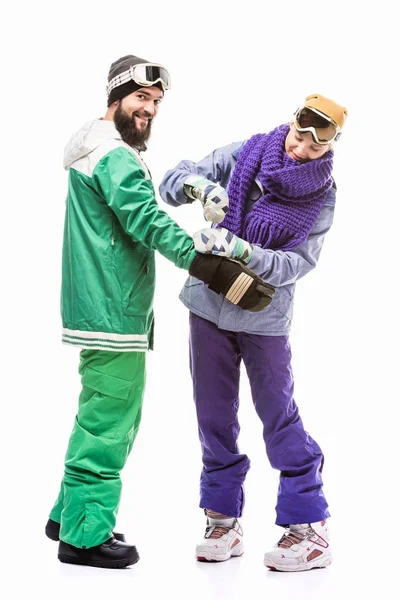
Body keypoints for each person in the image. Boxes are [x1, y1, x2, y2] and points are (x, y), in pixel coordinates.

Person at [45, 54, 275, 570]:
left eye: (155, 102)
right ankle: (82, 537)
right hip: (112, 309)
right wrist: (206, 263)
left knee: (101, 412)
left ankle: (70, 514)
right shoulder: (113, 155)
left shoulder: (99, 150)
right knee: (109, 421)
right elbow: (145, 219)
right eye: (140, 98)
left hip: (104, 304)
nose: (148, 108)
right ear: (115, 97)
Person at [159, 93, 348, 572]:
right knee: (213, 416)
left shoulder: (321, 196)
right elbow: (173, 178)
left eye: (315, 145)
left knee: (278, 417)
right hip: (207, 307)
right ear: (291, 123)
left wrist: (240, 250)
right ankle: (223, 520)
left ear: (331, 146)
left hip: (264, 320)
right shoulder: (249, 152)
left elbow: (296, 263)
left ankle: (308, 529)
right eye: (299, 134)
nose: (301, 148)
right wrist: (201, 189)